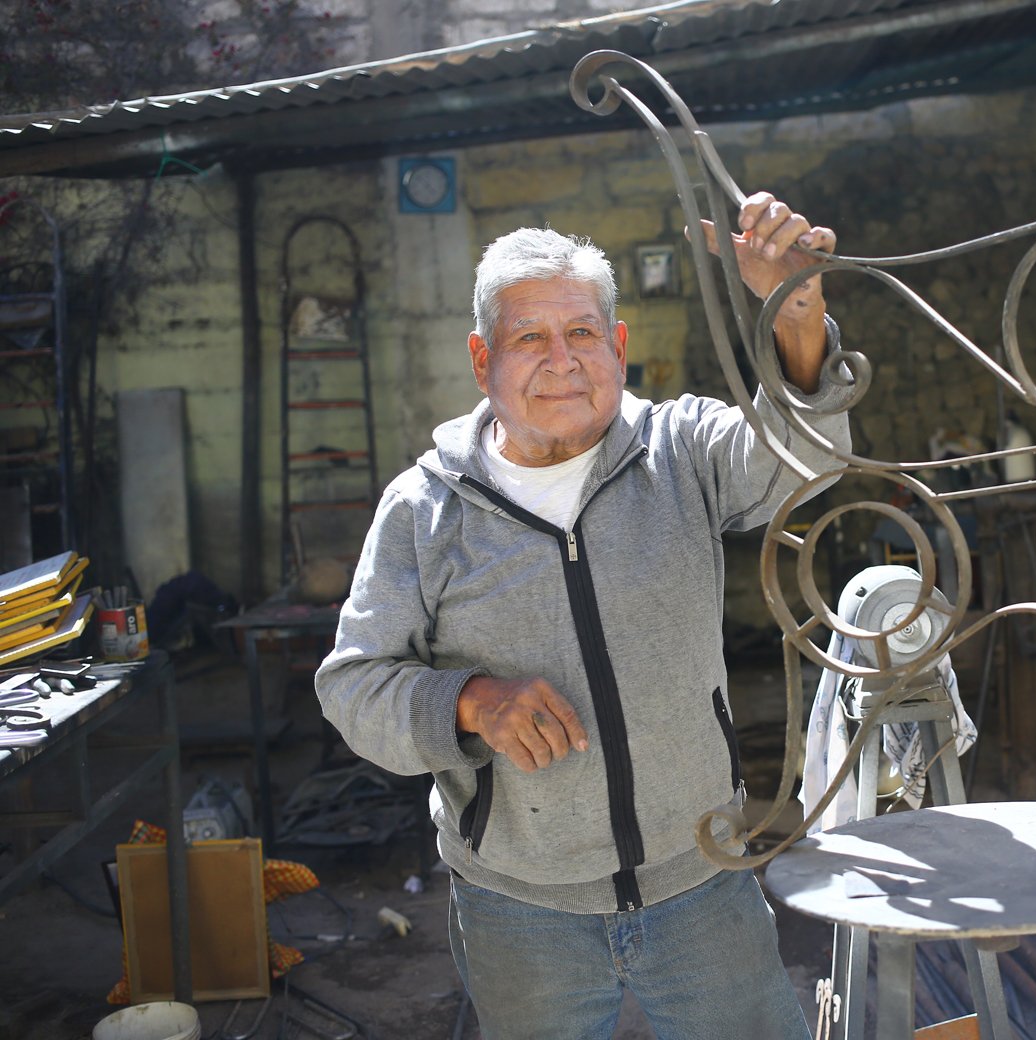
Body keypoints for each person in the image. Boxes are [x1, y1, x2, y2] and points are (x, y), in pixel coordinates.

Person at [315, 192, 850, 1040]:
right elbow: (353, 686)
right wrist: (469, 703)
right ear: (482, 359)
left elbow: (806, 458)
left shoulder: (682, 450)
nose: (562, 360)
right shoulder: (423, 510)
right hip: (519, 907)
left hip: (700, 876)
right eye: (530, 337)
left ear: (618, 347)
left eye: (582, 332)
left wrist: (795, 310)